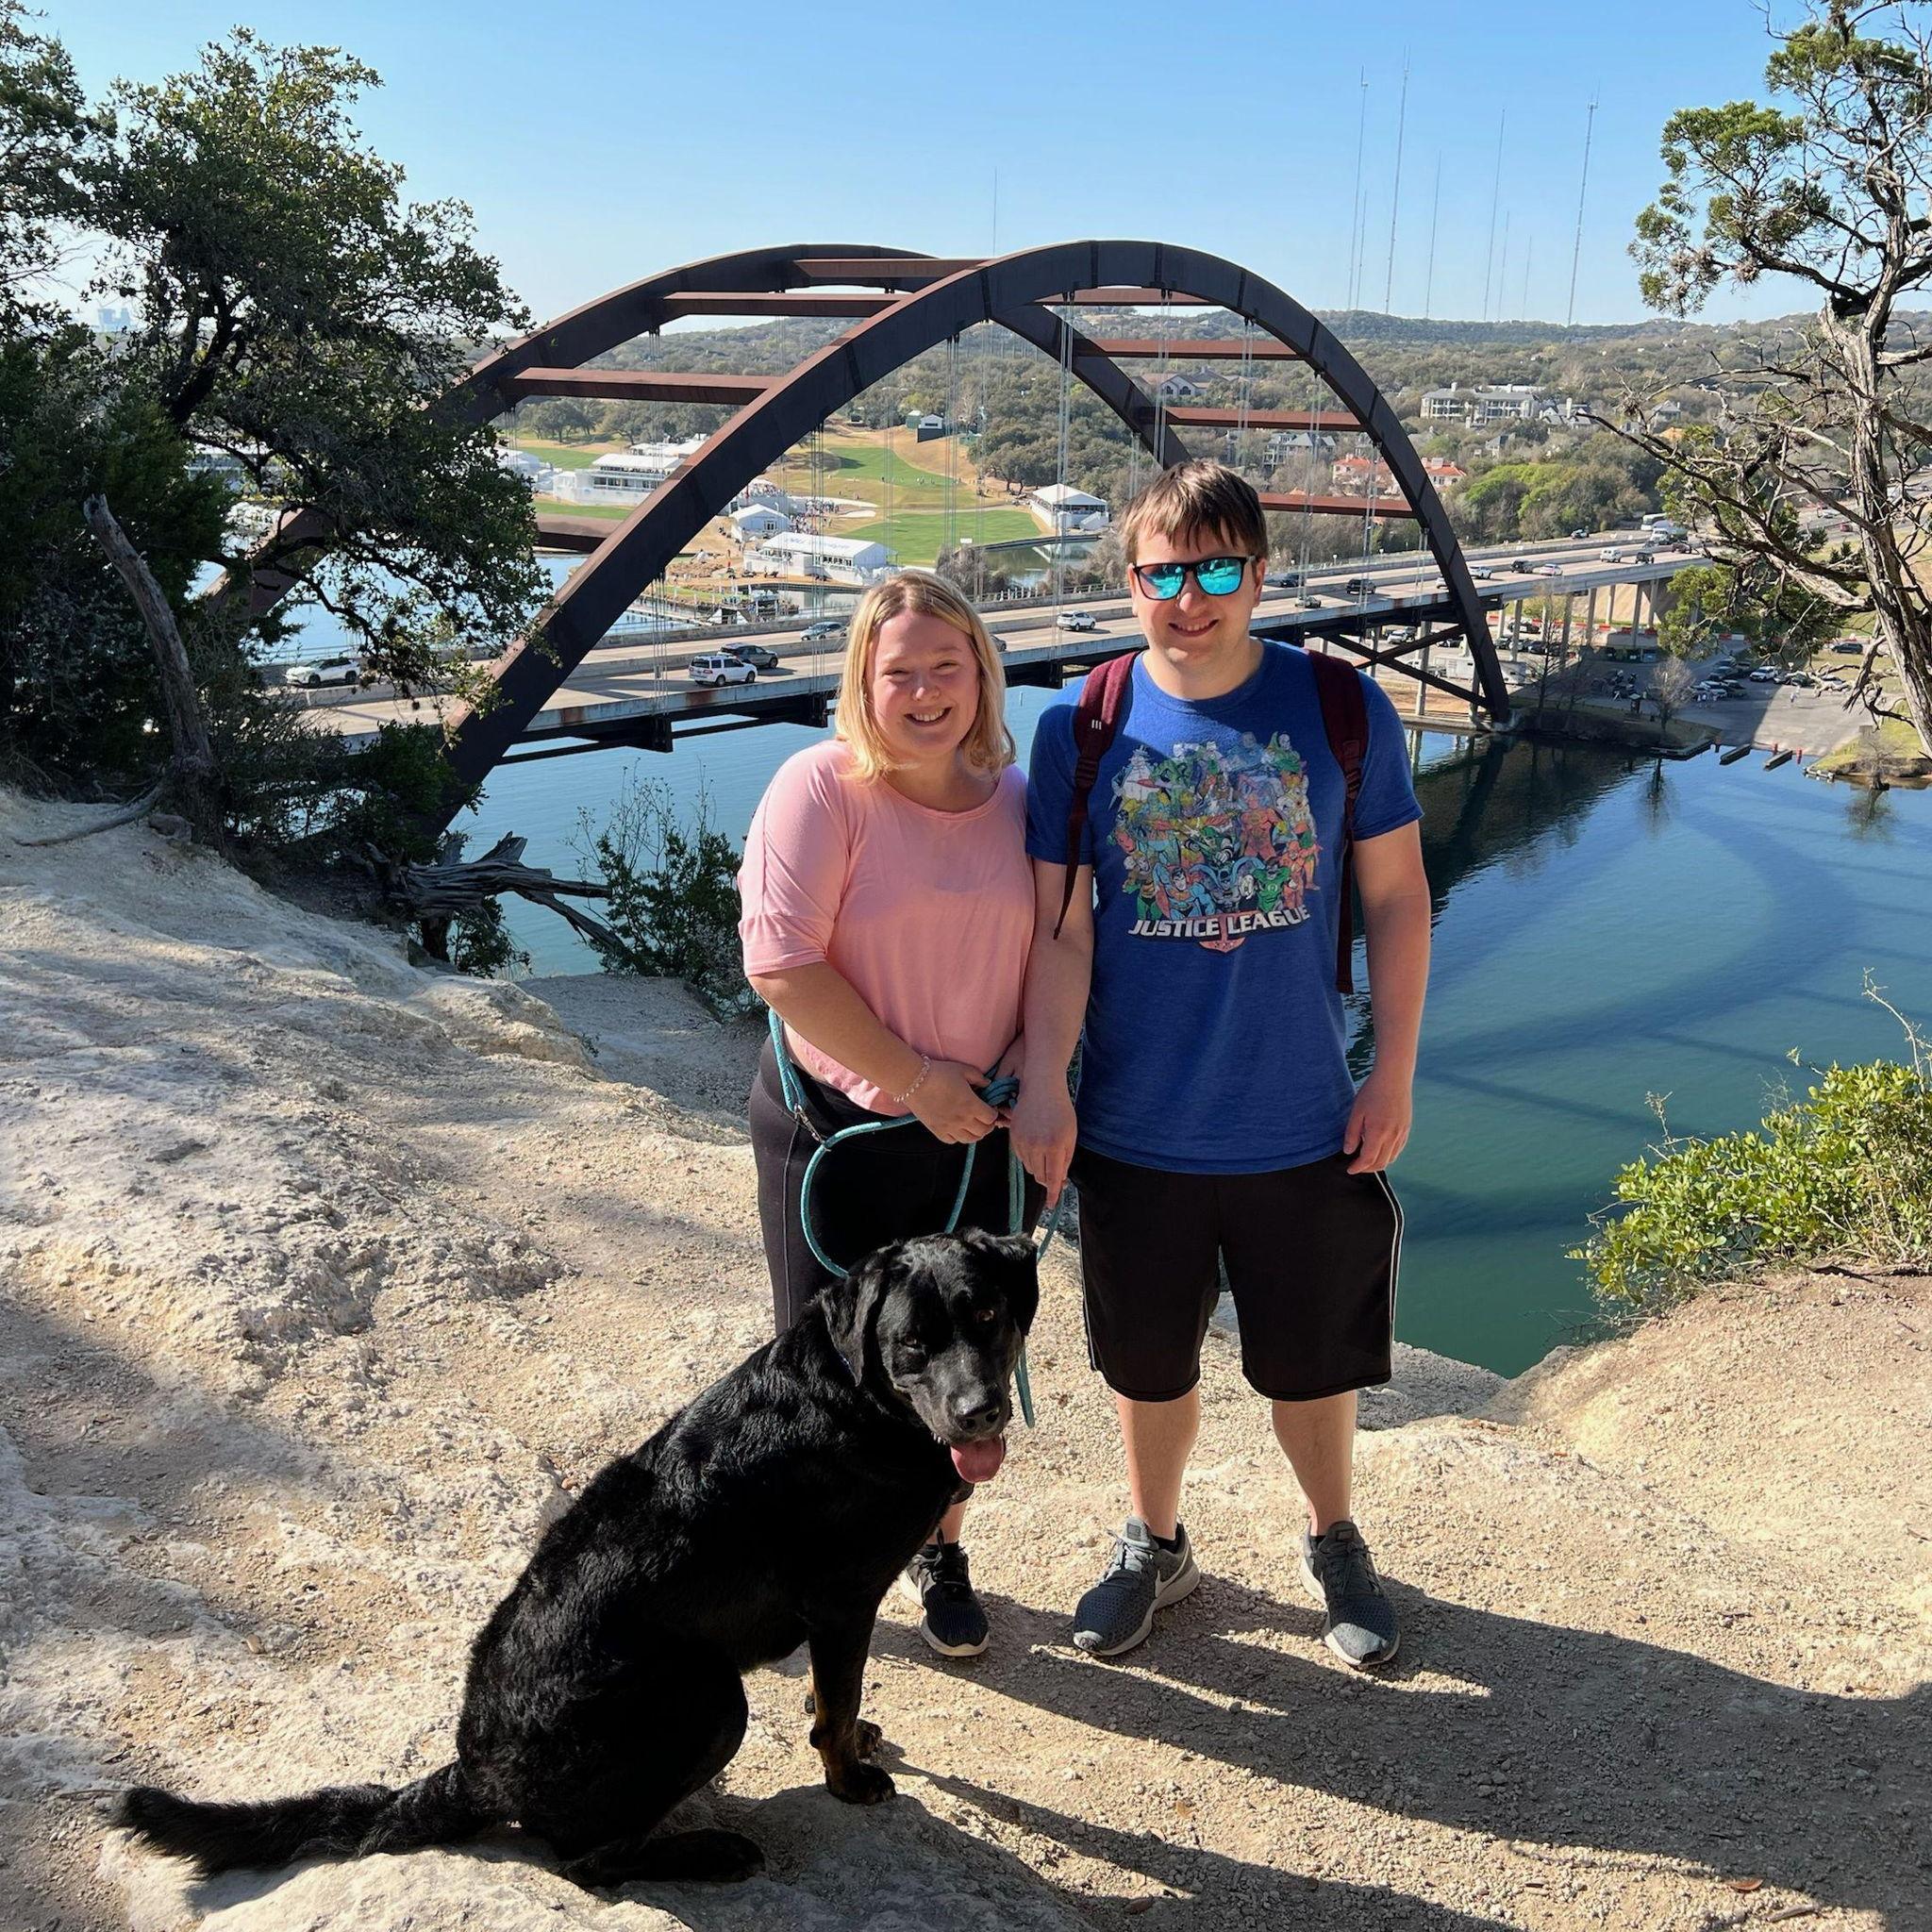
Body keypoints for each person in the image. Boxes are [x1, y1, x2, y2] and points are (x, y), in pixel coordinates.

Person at [1010, 460, 1430, 1667]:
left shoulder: (1340, 709)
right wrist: (1045, 1082)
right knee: (1146, 1364)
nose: (1187, 598)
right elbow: (1062, 928)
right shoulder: (1078, 729)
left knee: (1309, 1363)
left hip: (1300, 1115)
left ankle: (1333, 1536)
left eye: (1214, 570)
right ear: (1126, 580)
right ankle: (1155, 1543)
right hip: (1135, 1124)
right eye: (1161, 572)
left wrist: (1390, 1071)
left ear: (1256, 574)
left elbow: (1396, 899)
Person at [739, 569, 1040, 1659]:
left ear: (980, 673)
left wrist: (1018, 1072)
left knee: (962, 1368)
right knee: (830, 1370)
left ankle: (934, 1547)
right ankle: (810, 1567)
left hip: (974, 1141)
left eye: (944, 667)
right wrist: (917, 1080)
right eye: (896, 670)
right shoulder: (818, 788)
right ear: (862, 680)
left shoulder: (1017, 800)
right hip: (839, 1133)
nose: (922, 692)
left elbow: (1053, 950)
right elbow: (779, 961)